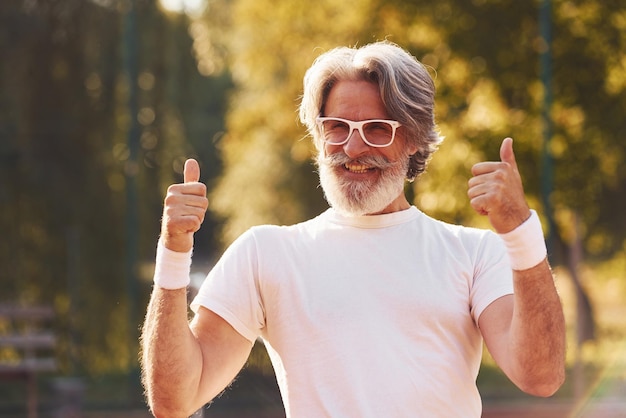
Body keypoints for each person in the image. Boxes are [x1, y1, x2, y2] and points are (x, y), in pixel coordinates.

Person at [141, 41, 566, 417]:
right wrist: (174, 250)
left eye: (377, 129)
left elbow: (541, 376)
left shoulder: (475, 252)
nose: (353, 148)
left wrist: (521, 232)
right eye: (337, 128)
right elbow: (176, 400)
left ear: (414, 137)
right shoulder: (265, 253)